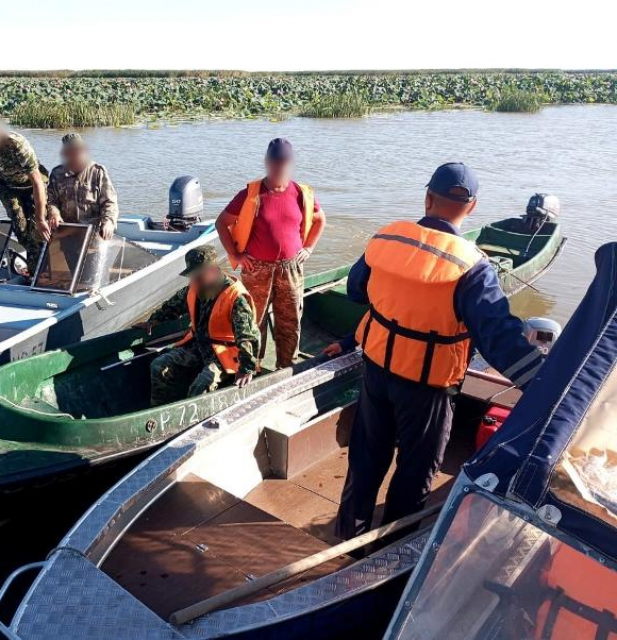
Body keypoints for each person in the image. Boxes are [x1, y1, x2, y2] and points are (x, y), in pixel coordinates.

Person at [331, 162, 546, 540]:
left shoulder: (387, 239)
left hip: (377, 372)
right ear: (473, 208)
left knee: (366, 460)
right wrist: (547, 385)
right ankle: (389, 553)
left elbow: (356, 291)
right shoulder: (472, 267)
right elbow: (500, 339)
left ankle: (349, 537)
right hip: (427, 389)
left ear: (428, 196)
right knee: (414, 472)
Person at [216, 138, 326, 369]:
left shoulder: (301, 193)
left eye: (284, 162)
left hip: (291, 268)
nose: (279, 167)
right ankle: (251, 367)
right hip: (257, 268)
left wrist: (308, 248)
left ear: (291, 163)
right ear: (266, 162)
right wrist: (235, 255)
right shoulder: (251, 194)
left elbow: (320, 220)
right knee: (254, 321)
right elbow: (222, 223)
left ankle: (287, 367)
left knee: (290, 321)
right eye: (274, 162)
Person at [143, 246, 260, 406]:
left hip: (224, 353)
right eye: (192, 276)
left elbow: (248, 337)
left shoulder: (235, 297)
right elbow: (172, 306)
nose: (194, 281)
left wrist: (246, 368)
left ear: (213, 270)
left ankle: (193, 422)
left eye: (198, 276)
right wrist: (153, 321)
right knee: (159, 365)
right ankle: (160, 410)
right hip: (198, 346)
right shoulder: (195, 288)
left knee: (202, 384)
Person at [0, 113, 48, 275]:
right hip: (9, 187)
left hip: (32, 184)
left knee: (37, 228)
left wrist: (40, 218)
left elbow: (37, 182)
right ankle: (34, 269)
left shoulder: (17, 144)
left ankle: (46, 267)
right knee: (20, 228)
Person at [47, 133, 118, 239]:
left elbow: (109, 202)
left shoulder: (97, 172)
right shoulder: (57, 174)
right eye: (71, 152)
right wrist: (54, 214)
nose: (75, 155)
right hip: (67, 235)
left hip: (93, 236)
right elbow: (51, 201)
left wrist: (108, 222)